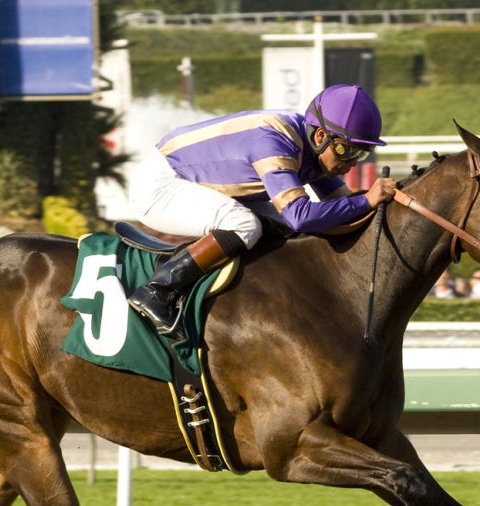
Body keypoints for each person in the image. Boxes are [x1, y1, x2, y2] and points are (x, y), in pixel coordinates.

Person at [126, 83, 398, 333]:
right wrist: (367, 199)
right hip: (159, 186)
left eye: (361, 153)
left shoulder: (313, 147)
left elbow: (344, 205)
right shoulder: (274, 143)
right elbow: (300, 216)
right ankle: (157, 289)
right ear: (320, 136)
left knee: (282, 228)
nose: (351, 163)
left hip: (195, 182)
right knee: (245, 225)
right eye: (346, 151)